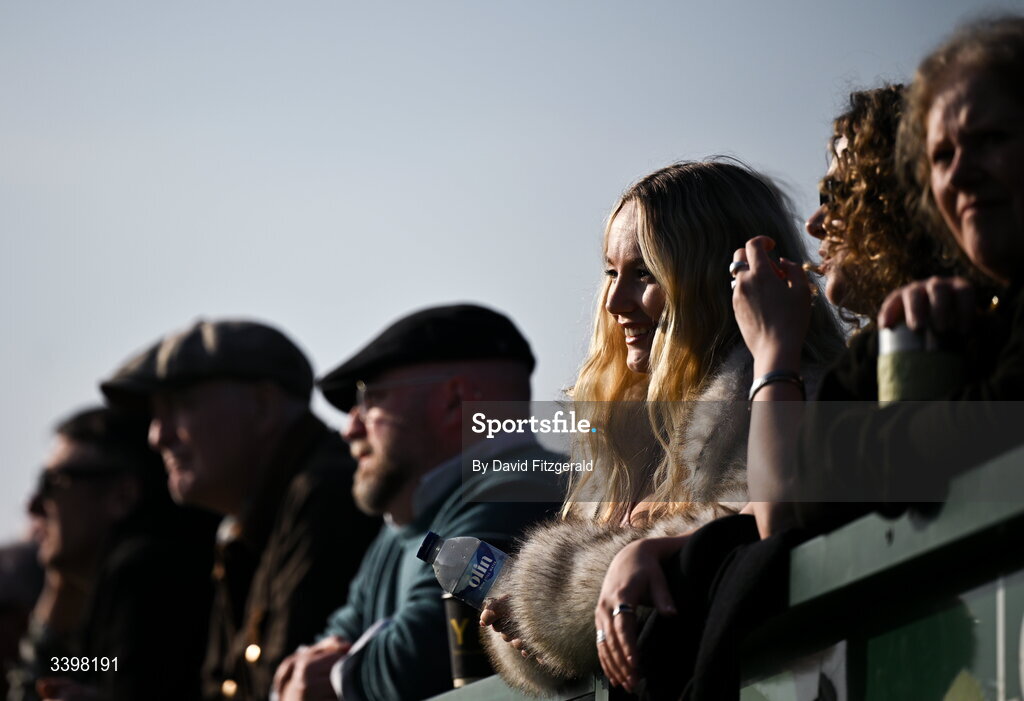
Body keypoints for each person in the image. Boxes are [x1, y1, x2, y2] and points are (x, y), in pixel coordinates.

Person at [479, 161, 844, 696]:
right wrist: (528, 630)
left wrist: (558, 594)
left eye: (645, 273)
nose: (615, 302)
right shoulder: (623, 435)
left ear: (723, 279)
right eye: (611, 273)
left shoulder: (793, 393)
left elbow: (754, 549)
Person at [733, 14, 1024, 537]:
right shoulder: (877, 349)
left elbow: (787, 508)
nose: (815, 222)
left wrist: (774, 353)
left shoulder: (984, 325)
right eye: (943, 155)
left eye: (842, 193)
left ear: (900, 198)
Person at [271, 304, 565, 701]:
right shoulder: (401, 529)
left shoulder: (523, 486)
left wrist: (340, 678)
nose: (350, 428)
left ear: (452, 399)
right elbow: (329, 645)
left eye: (370, 399)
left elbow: (422, 658)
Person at [100, 319, 378, 701]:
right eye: (155, 414)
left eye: (180, 406)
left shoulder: (326, 494)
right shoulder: (245, 524)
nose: (157, 436)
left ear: (263, 406)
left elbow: (277, 685)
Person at [9, 407, 216, 701]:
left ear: (122, 496)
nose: (34, 506)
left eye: (54, 482)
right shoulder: (119, 584)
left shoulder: (144, 575)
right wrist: (59, 594)